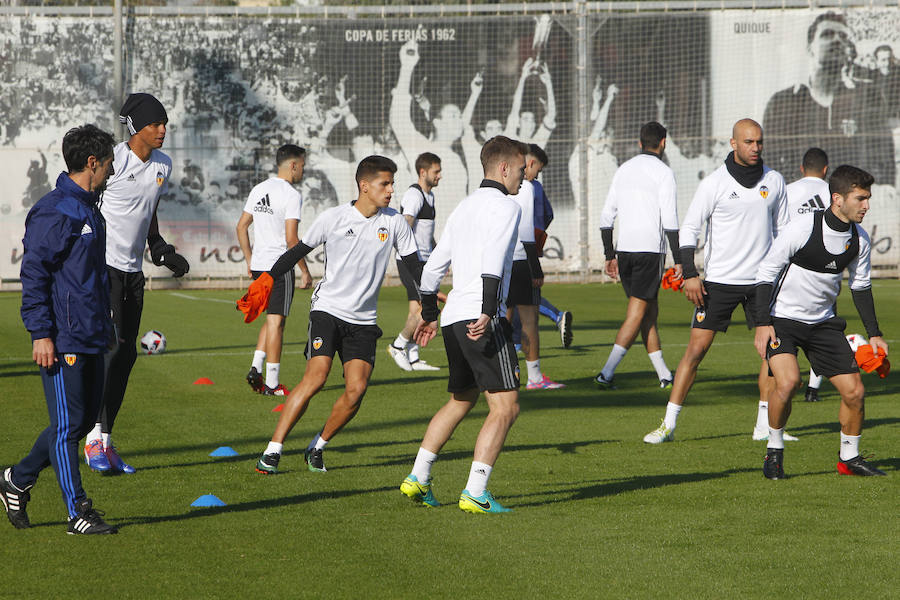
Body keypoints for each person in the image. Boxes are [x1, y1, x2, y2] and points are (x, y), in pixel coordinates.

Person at [248, 156, 420, 475]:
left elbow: (414, 265)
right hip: (327, 310)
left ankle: (318, 446)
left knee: (356, 391)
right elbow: (297, 251)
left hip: (364, 321)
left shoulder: (395, 222)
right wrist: (266, 279)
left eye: (392, 184)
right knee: (316, 377)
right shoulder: (334, 218)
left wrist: (428, 298)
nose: (391, 190)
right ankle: (273, 450)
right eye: (385, 184)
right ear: (364, 186)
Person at [643, 119, 793, 444]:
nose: (756, 148)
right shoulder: (715, 183)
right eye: (749, 142)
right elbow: (689, 229)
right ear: (733, 143)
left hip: (762, 284)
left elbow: (784, 232)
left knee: (773, 353)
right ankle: (668, 424)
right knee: (695, 351)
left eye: (759, 142)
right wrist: (691, 274)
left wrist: (784, 273)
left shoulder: (775, 181)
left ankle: (764, 425)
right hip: (720, 282)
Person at [399, 135, 527, 514]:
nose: (523, 177)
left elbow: (434, 265)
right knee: (506, 407)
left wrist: (429, 311)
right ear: (504, 168)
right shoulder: (506, 206)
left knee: (461, 399)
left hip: (456, 315)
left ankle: (418, 478)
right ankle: (475, 491)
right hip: (479, 316)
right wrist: (489, 309)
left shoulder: (465, 206)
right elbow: (493, 259)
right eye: (521, 170)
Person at [1, 124, 118, 534]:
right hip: (63, 337)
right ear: (92, 163)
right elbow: (34, 274)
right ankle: (78, 511)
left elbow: (88, 277)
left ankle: (16, 478)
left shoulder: (89, 208)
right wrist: (41, 333)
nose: (110, 170)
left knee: (81, 422)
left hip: (91, 333)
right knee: (69, 427)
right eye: (108, 164)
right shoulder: (57, 210)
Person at [754, 165, 887, 478]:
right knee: (788, 383)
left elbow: (860, 287)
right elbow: (766, 273)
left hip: (824, 324)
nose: (866, 205)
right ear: (838, 199)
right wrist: (762, 324)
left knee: (854, 392)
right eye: (861, 198)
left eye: (868, 198)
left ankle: (849, 459)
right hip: (783, 320)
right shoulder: (802, 228)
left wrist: (875, 334)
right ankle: (774, 452)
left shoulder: (859, 239)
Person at [82, 93, 189, 474]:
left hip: (133, 274)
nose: (162, 130)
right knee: (109, 353)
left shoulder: (164, 164)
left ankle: (107, 441)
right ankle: (91, 439)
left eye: (165, 124)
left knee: (126, 358)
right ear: (135, 126)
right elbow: (87, 205)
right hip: (104, 269)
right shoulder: (114, 160)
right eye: (155, 124)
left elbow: (150, 209)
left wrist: (159, 248)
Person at [595, 122, 680, 389]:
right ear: (663, 143)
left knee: (647, 313)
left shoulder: (624, 169)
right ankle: (606, 373)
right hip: (649, 251)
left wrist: (610, 254)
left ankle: (664, 374)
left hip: (625, 251)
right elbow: (670, 220)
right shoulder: (664, 172)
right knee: (637, 314)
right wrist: (680, 260)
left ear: (639, 142)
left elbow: (606, 216)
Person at [763, 13, 894, 185]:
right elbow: (769, 164)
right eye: (827, 35)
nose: (838, 40)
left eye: (843, 37)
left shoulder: (869, 95)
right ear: (810, 48)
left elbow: (884, 159)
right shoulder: (782, 102)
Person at [237, 144, 312, 396]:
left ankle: (256, 368)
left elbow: (241, 226)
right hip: (279, 267)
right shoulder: (291, 194)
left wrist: (249, 259)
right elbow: (292, 240)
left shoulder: (260, 188)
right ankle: (271, 384)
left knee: (271, 318)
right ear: (293, 165)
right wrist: (304, 270)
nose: (303, 169)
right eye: (302, 165)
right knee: (277, 323)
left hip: (259, 266)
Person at [506, 145, 564, 390]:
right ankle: (535, 378)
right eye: (535, 170)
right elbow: (528, 233)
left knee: (502, 319)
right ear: (527, 164)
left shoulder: (494, 189)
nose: (534, 176)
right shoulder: (527, 188)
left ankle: (503, 372)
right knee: (529, 321)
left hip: (500, 262)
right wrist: (536, 269)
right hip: (521, 261)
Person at [387, 152, 444, 372]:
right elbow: (405, 224)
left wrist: (439, 254)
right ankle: (397, 345)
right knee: (428, 306)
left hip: (425, 261)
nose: (439, 176)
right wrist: (407, 256)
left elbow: (426, 233)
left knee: (416, 309)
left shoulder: (430, 196)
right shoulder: (415, 195)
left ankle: (413, 356)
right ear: (423, 172)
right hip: (412, 262)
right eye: (436, 172)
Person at [785, 147, 830, 402]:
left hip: (792, 270)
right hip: (824, 272)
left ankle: (784, 377)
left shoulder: (788, 191)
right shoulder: (833, 193)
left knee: (786, 326)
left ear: (802, 168)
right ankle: (813, 388)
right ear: (825, 169)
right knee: (822, 326)